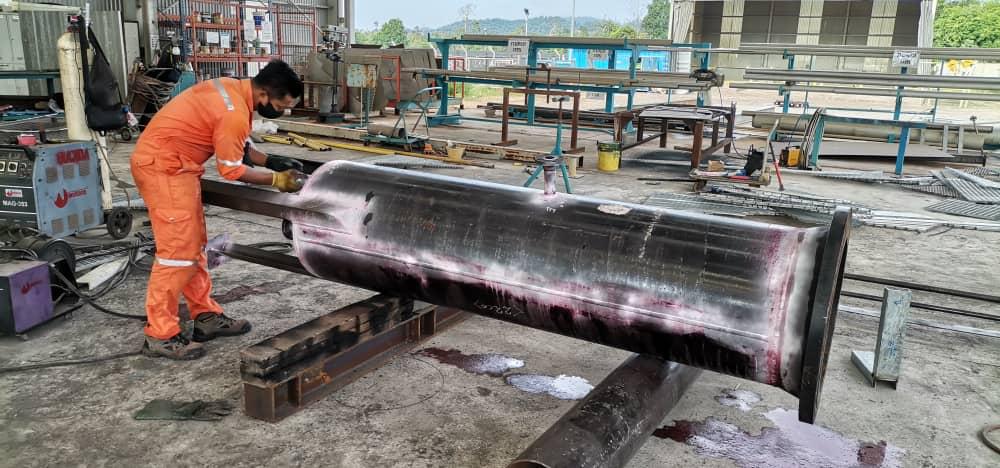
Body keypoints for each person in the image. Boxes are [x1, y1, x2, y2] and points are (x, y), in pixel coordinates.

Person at [130, 60, 305, 360]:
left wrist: (270, 161)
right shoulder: (233, 112)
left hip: (177, 167)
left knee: (193, 248)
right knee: (177, 255)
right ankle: (160, 334)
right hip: (164, 169)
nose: (282, 112)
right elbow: (231, 170)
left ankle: (205, 316)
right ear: (264, 94)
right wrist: (277, 180)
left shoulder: (233, 89)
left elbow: (239, 147)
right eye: (281, 106)